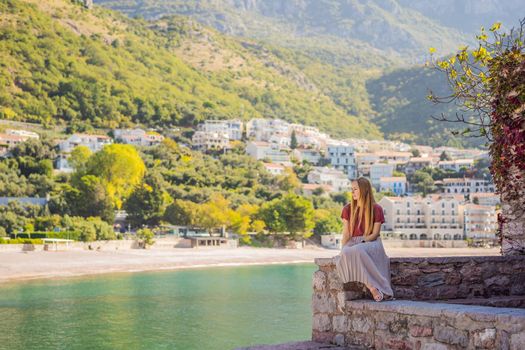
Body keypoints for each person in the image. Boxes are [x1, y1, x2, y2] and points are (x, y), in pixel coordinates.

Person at [334, 177, 393, 301]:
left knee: (357, 250)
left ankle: (381, 287)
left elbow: (375, 234)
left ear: (364, 190)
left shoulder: (377, 209)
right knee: (346, 252)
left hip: (371, 241)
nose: (352, 192)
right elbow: (346, 234)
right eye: (352, 189)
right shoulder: (347, 209)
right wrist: (342, 250)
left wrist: (362, 242)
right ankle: (372, 287)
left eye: (355, 189)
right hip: (353, 242)